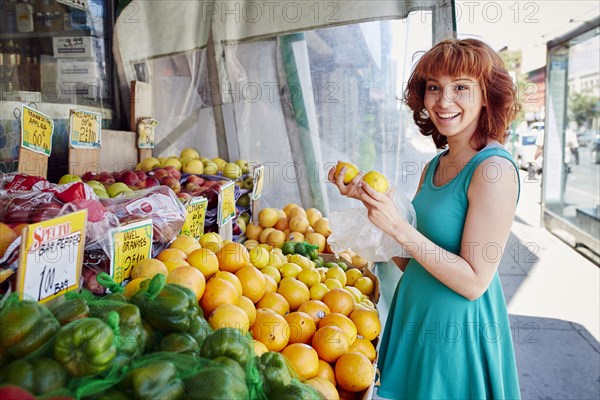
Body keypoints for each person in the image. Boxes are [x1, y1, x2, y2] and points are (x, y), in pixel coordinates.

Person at [329, 38, 521, 399]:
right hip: (413, 320)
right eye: (434, 87)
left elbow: (474, 282)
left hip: (455, 337)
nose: (443, 100)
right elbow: (413, 260)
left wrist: (399, 227)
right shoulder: (436, 165)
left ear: (487, 95)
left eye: (461, 87)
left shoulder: (494, 170)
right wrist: (372, 209)